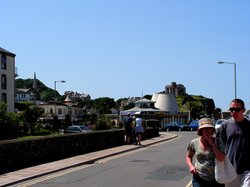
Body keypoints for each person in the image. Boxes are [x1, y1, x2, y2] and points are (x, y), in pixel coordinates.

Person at [218, 98, 250, 187]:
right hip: (230, 168)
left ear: (243, 110)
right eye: (232, 109)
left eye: (237, 109)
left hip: (247, 169)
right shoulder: (225, 125)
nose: (234, 112)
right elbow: (222, 145)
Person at [186, 117, 225, 187]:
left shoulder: (218, 142)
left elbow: (221, 158)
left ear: (212, 130)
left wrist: (212, 144)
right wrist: (191, 166)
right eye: (204, 128)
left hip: (216, 179)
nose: (207, 130)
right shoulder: (194, 142)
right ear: (200, 130)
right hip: (199, 178)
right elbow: (188, 156)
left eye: (209, 128)